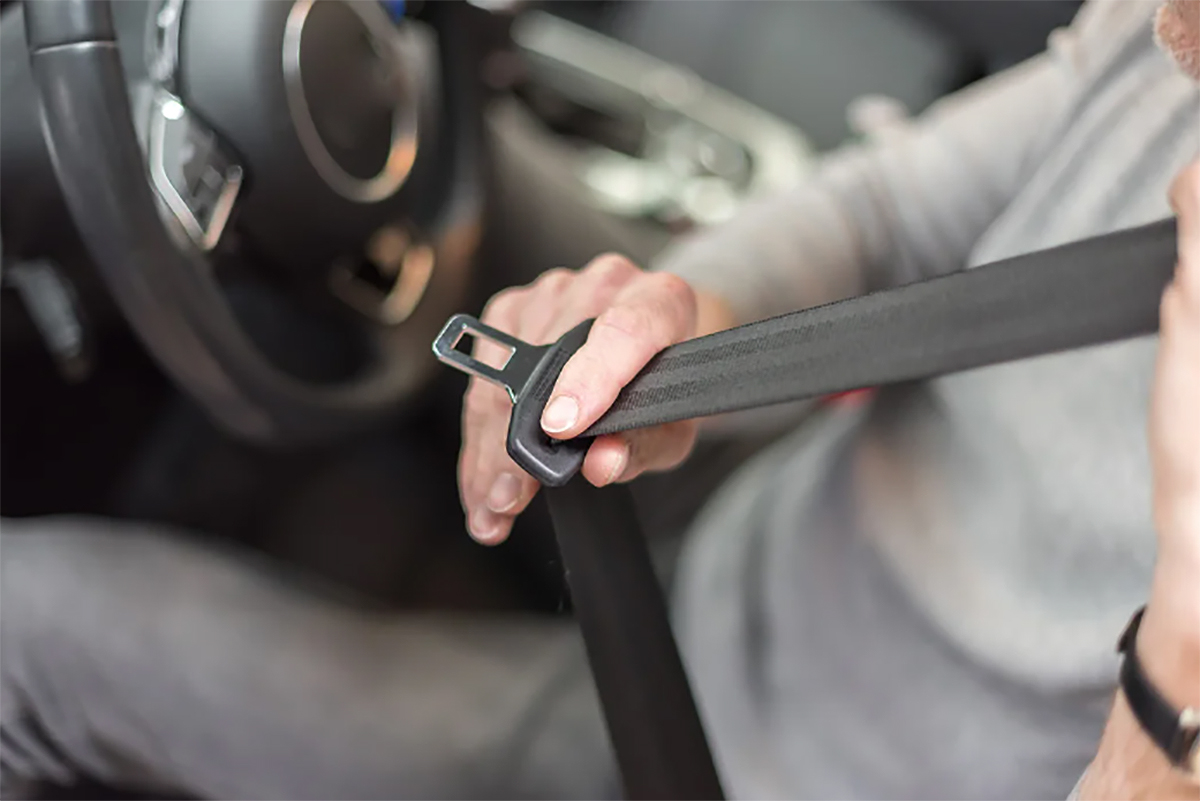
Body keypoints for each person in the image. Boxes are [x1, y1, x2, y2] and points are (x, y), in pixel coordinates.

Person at [2, 0, 1198, 798]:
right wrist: (687, 320)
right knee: (403, 117)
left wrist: (1175, 686)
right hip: (767, 507)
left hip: (728, 761)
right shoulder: (1170, 48)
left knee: (24, 633)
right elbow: (886, 212)